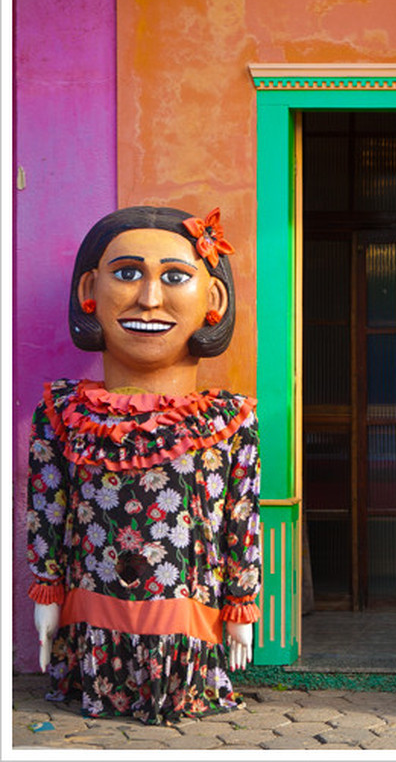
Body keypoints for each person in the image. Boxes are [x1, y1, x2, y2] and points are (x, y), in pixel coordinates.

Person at [25, 205, 261, 725]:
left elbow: (240, 519)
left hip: (187, 606)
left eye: (175, 277)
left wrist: (241, 607)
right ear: (90, 288)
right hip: (92, 607)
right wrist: (47, 593)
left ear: (214, 298)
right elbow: (47, 508)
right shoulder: (65, 414)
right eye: (127, 273)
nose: (150, 299)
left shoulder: (227, 419)